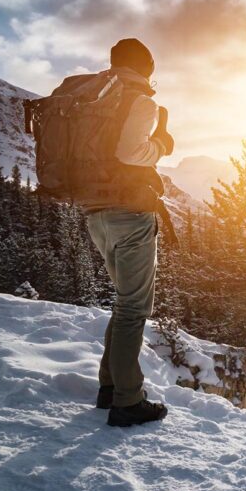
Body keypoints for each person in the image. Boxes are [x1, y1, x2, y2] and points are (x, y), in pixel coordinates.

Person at [85, 38, 174, 427]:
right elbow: (130, 153)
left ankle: (109, 388)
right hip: (130, 215)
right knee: (133, 310)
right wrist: (162, 144)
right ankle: (127, 401)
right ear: (148, 66)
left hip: (97, 214)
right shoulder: (138, 100)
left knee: (123, 306)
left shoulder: (95, 98)